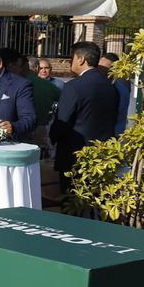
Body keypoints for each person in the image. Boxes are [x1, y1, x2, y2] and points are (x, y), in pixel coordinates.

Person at [52, 42, 119, 193]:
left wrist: (53, 137)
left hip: (75, 156)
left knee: (71, 201)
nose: (70, 62)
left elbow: (62, 122)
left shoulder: (73, 86)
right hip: (102, 155)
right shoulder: (111, 86)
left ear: (81, 59)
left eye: (72, 58)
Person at [25, 55, 61, 153]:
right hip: (41, 125)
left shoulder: (15, 81)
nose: (44, 71)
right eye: (41, 68)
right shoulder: (47, 86)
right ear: (37, 68)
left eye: (46, 68)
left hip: (21, 126)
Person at [99, 52, 132, 135]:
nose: (100, 71)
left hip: (113, 132)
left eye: (104, 69)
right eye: (99, 67)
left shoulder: (120, 85)